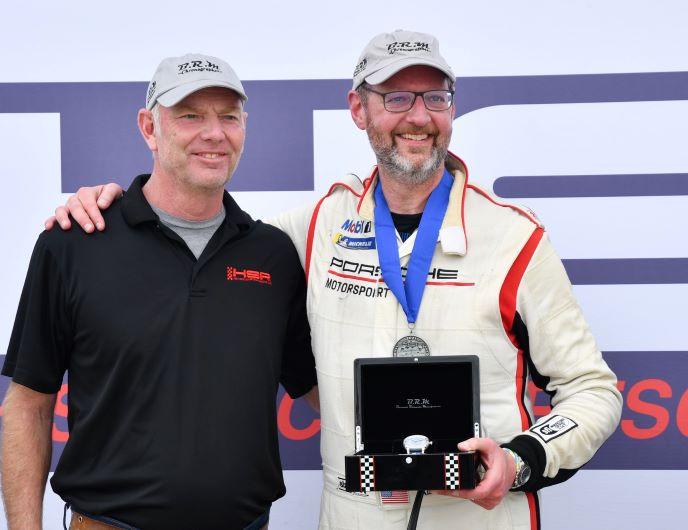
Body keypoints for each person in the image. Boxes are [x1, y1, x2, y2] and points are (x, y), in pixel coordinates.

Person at [47, 31, 622, 529]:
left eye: (436, 97)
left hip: (479, 515)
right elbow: (197, 232)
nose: (418, 116)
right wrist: (111, 207)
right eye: (396, 97)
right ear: (358, 110)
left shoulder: (515, 237)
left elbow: (593, 390)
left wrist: (519, 459)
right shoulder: (315, 227)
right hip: (354, 516)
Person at [0, 53, 317, 530]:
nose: (214, 133)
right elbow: (29, 404)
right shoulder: (74, 243)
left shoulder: (272, 255)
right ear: (149, 128)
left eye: (228, 117)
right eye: (190, 116)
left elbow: (318, 389)